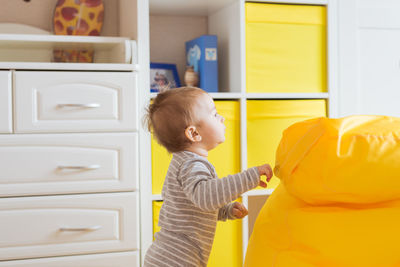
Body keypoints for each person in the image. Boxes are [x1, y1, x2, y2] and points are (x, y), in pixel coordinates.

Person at [143, 87, 273, 267]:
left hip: (170, 256)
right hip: (176, 259)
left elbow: (195, 206)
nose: (222, 118)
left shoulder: (184, 162)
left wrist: (225, 210)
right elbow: (207, 198)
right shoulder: (192, 165)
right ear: (194, 133)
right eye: (214, 114)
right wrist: (250, 177)